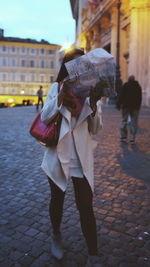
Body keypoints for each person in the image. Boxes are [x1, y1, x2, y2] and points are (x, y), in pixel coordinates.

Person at [41, 48, 103, 266]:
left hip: (81, 158)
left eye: (82, 64)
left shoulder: (90, 91)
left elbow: (95, 128)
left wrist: (94, 105)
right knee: (56, 201)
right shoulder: (54, 88)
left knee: (85, 205)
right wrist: (60, 95)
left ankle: (93, 253)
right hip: (58, 155)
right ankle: (55, 236)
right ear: (67, 68)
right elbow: (46, 117)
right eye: (73, 64)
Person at [116, 75, 142, 144]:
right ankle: (132, 138)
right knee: (134, 122)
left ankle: (123, 137)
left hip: (125, 106)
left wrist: (118, 104)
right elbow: (140, 98)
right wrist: (138, 106)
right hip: (134, 107)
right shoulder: (137, 86)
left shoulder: (125, 85)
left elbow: (121, 95)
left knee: (124, 120)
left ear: (128, 79)